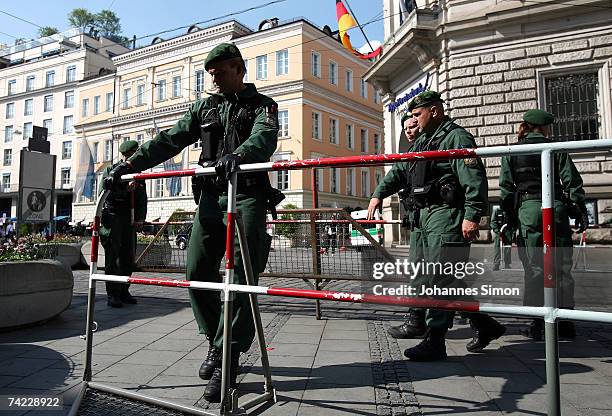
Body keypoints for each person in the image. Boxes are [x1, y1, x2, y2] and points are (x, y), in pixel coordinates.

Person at [103, 43, 278, 402]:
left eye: (220, 71)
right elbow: (170, 139)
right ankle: (217, 340)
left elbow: (265, 138)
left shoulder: (264, 106)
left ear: (239, 69)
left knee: (243, 278)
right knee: (196, 270)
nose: (213, 77)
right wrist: (130, 165)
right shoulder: (205, 107)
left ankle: (228, 355)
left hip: (245, 194)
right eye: (210, 72)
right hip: (211, 197)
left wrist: (240, 154)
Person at [390, 90, 505, 361]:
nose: (414, 120)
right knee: (444, 278)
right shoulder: (424, 141)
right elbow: (401, 171)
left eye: (418, 114)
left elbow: (474, 179)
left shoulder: (457, 137)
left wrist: (472, 215)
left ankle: (436, 339)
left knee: (441, 278)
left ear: (435, 111)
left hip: (448, 216)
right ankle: (485, 325)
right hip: (428, 216)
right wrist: (378, 194)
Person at [499, 109, 587, 340]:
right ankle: (566, 321)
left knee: (535, 267)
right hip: (555, 208)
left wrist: (508, 220)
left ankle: (538, 322)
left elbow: (506, 189)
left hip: (528, 211)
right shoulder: (555, 148)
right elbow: (572, 182)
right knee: (562, 267)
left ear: (526, 126)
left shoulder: (513, 151)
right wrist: (578, 209)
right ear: (545, 128)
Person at [368, 115, 427, 339]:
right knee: (422, 271)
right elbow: (396, 174)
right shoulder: (413, 152)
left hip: (439, 216)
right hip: (421, 217)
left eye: (413, 126)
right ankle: (418, 320)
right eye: (406, 129)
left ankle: (422, 322)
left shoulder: (442, 141)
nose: (409, 131)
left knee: (440, 273)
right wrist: (378, 195)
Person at [100, 140, 147, 308]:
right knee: (113, 257)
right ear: (128, 154)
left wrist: (140, 218)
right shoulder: (111, 170)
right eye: (135, 152)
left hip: (129, 218)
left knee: (128, 256)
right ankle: (113, 294)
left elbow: (142, 199)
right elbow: (104, 194)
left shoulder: (138, 172)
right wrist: (124, 189)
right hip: (113, 217)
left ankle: (124, 290)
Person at [490, 206, 513, 270]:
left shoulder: (509, 210)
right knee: (497, 247)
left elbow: (512, 220)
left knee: (508, 246)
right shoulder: (496, 210)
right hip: (498, 230)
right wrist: (497, 230)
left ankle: (507, 264)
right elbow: (493, 221)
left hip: (507, 230)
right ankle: (496, 264)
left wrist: (512, 230)